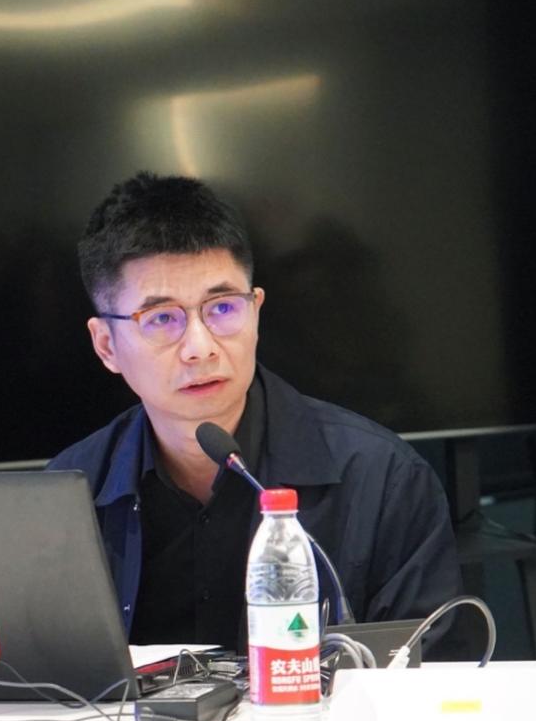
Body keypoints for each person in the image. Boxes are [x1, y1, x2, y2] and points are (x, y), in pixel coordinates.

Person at [48, 172, 462, 649]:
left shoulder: (383, 479)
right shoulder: (66, 495)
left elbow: (430, 674)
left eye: (223, 308)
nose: (200, 347)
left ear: (256, 311)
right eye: (161, 318)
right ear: (106, 345)